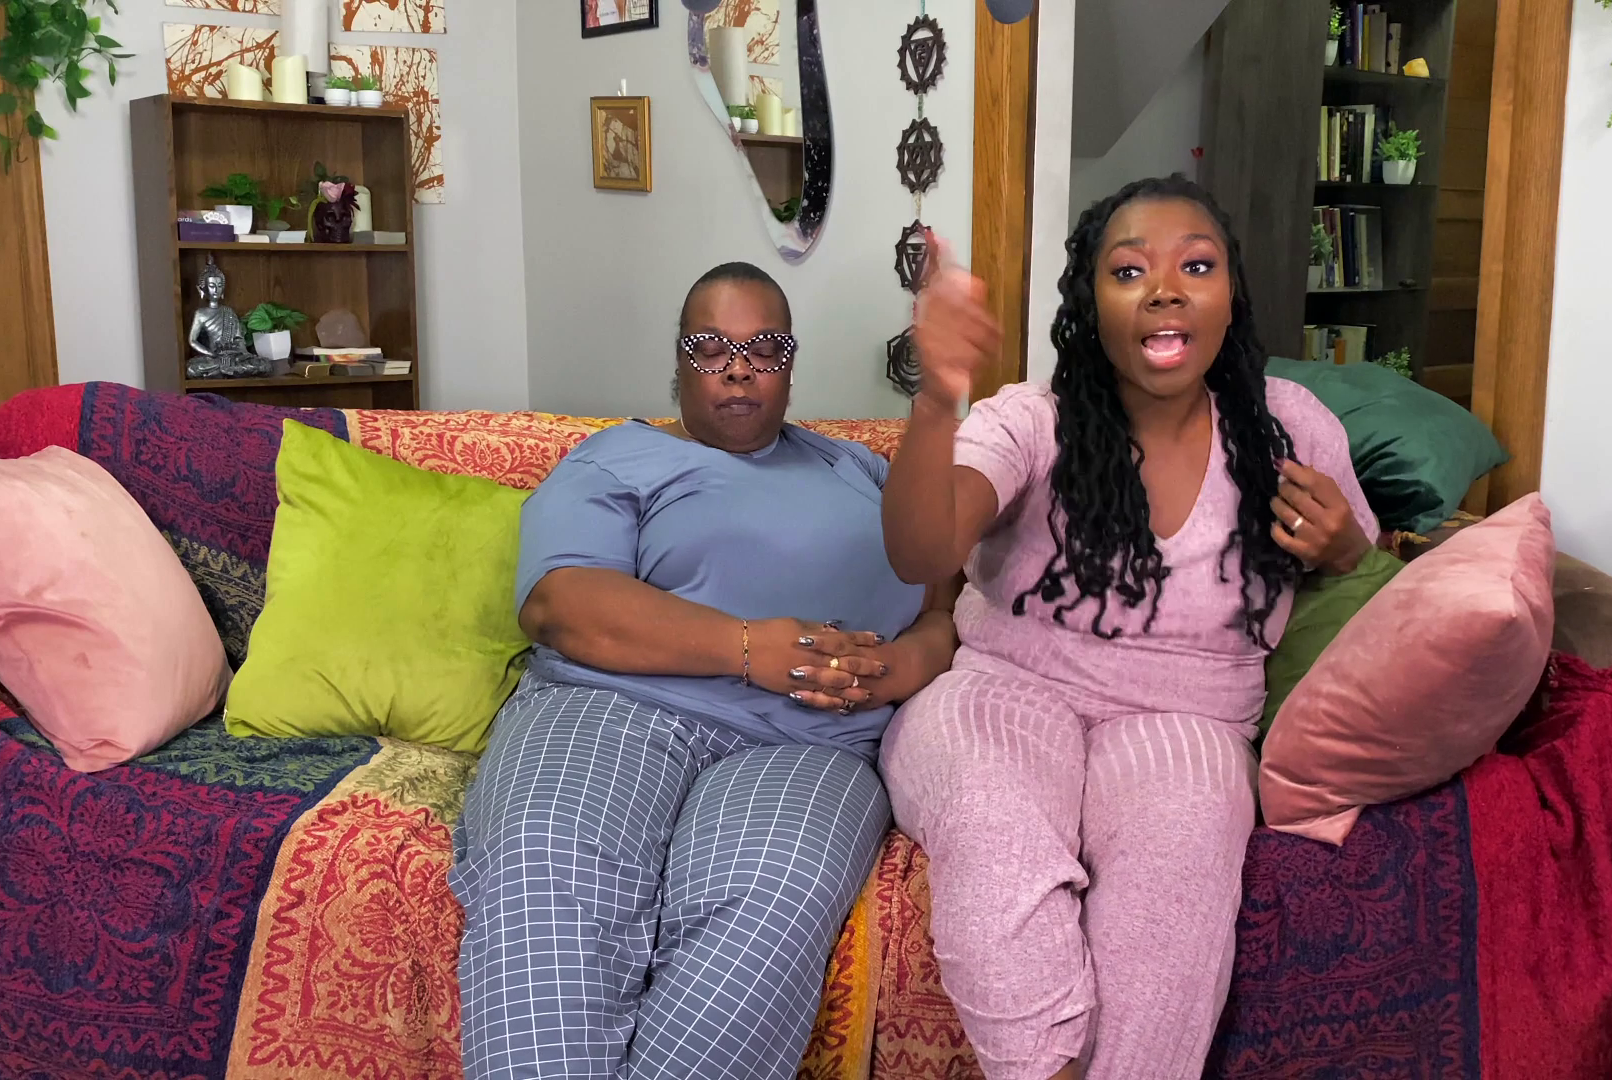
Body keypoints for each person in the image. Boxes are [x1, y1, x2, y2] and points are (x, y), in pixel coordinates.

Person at [878, 176, 1378, 1080]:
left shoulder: (1290, 427)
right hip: (1002, 691)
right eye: (1129, 270)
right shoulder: (1032, 419)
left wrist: (1344, 550)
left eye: (1197, 266)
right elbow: (922, 552)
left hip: (1191, 719)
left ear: (1231, 296)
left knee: (1181, 862)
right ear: (1090, 301)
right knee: (991, 821)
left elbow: (1370, 588)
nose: (1166, 290)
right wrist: (937, 395)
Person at [450, 261, 960, 1080]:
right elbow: (561, 603)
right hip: (611, 708)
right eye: (711, 347)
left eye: (764, 348)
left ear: (790, 364)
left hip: (807, 744)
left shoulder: (861, 471)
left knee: (773, 897)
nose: (737, 368)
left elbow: (947, 599)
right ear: (679, 360)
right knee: (548, 865)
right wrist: (752, 648)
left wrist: (909, 663)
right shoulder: (618, 458)